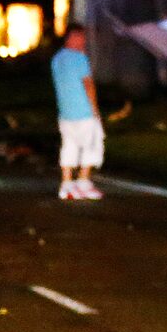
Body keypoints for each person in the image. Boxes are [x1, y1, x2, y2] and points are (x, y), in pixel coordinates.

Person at [50, 24, 104, 200]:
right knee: (92, 144)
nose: (84, 42)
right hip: (83, 111)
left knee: (69, 146)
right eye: (82, 37)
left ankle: (66, 184)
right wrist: (95, 108)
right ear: (73, 37)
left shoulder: (56, 59)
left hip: (65, 112)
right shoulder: (79, 58)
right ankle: (83, 181)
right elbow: (87, 84)